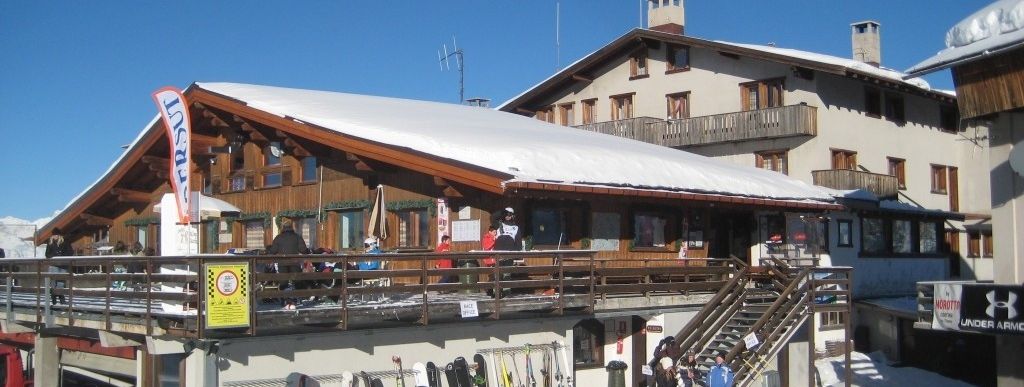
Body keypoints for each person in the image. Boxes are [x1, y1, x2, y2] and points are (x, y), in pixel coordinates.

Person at [268, 218, 309, 310]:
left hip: (282, 263)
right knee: (296, 281)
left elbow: (273, 251)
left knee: (284, 282)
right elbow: (303, 250)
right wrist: (307, 251)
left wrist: (269, 251)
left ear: (282, 227)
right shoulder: (297, 237)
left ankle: (285, 301)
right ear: (292, 227)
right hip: (295, 263)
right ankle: (295, 300)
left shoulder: (278, 238)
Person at [45, 228, 74, 305]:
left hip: (63, 266)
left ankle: (61, 298)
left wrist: (61, 256)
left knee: (61, 283)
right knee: (53, 283)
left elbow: (70, 252)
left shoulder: (65, 242)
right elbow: (47, 254)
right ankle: (54, 299)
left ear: (59, 235)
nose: (55, 236)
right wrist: (55, 256)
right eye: (54, 235)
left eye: (56, 234)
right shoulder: (50, 242)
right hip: (53, 265)